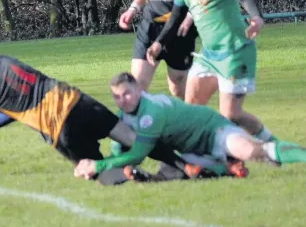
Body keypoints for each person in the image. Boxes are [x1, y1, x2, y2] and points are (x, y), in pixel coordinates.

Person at [0, 47, 211, 184]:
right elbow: (15, 111)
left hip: (58, 127)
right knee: (130, 136)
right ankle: (186, 166)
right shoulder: (2, 61)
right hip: (76, 101)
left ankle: (136, 179)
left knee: (99, 172)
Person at [146, 0, 277, 142]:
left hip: (235, 52)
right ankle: (208, 158)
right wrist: (159, 42)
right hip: (208, 56)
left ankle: (271, 144)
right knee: (191, 111)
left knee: (231, 115)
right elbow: (177, 15)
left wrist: (256, 17)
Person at [74, 73, 306, 179]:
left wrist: (99, 165)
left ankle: (297, 154)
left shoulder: (151, 112)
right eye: (117, 97)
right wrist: (112, 171)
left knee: (253, 152)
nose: (123, 100)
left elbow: (138, 154)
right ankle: (227, 167)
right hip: (190, 150)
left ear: (138, 90)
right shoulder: (123, 117)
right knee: (185, 172)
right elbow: (120, 149)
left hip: (212, 131)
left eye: (127, 94)